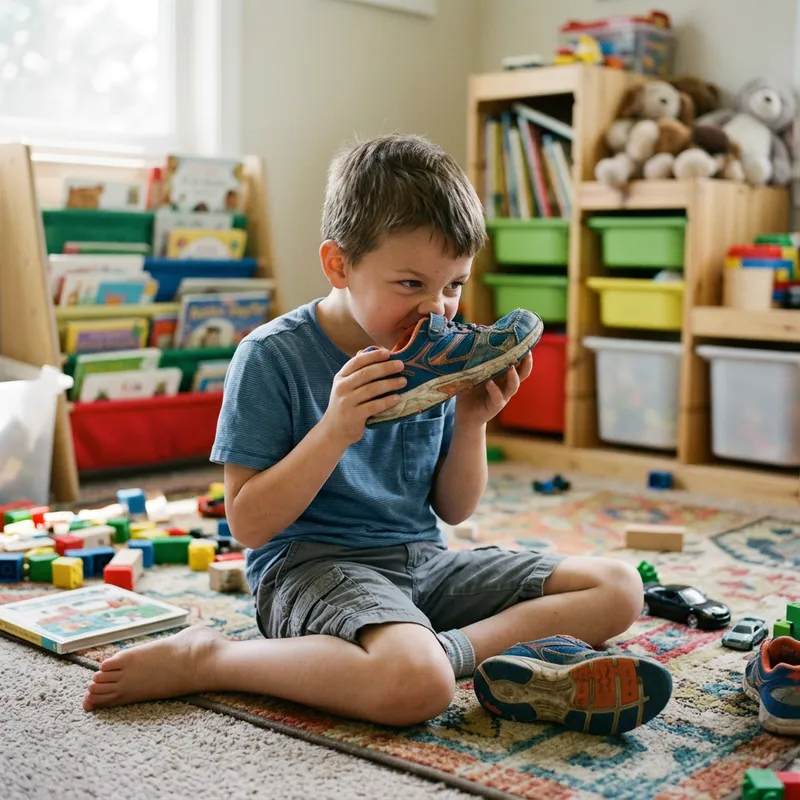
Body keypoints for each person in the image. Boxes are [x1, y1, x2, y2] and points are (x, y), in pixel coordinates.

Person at [83, 134, 671, 733]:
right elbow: (249, 524)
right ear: (339, 265)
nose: (437, 310)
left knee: (619, 587)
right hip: (312, 566)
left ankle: (444, 653)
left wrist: (471, 422)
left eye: (454, 285)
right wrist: (336, 428)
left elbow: (453, 506)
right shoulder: (269, 357)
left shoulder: (431, 352)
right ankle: (217, 659)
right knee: (413, 688)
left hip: (421, 562)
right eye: (412, 284)